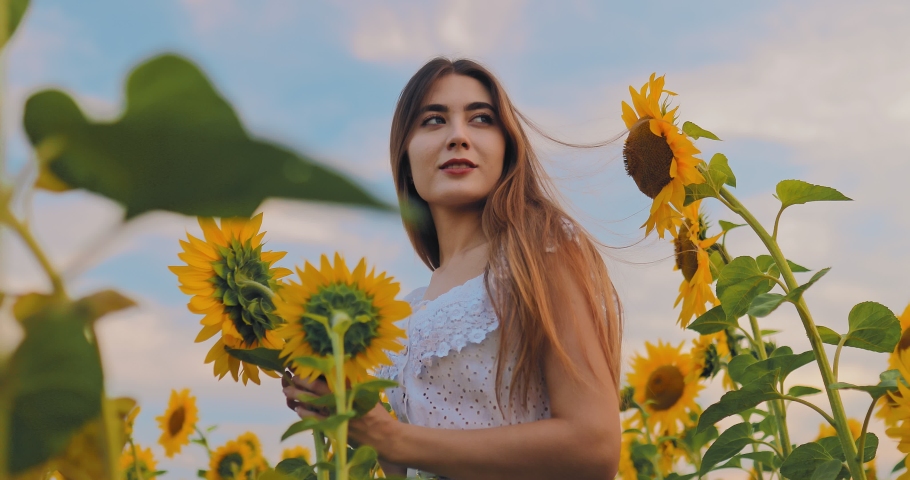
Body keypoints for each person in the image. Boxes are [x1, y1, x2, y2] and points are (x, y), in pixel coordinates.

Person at [282, 57, 623, 479]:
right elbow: (412, 461)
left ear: (507, 146)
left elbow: (596, 446)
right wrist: (348, 418)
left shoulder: (541, 252)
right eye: (433, 121)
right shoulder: (405, 311)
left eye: (481, 119)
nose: (458, 136)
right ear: (404, 155)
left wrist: (392, 438)